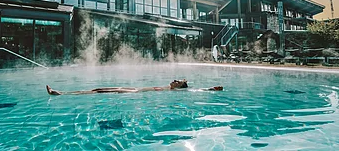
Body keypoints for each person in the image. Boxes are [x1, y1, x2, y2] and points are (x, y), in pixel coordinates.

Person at [46, 80, 224, 95]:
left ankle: (61, 93)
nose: (173, 80)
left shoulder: (178, 92)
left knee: (99, 92)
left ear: (180, 86)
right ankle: (63, 92)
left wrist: (211, 89)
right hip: (132, 88)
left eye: (177, 81)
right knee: (98, 88)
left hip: (134, 93)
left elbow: (195, 91)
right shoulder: (168, 88)